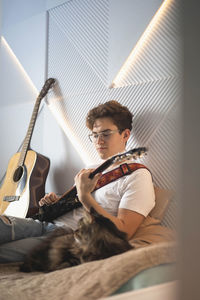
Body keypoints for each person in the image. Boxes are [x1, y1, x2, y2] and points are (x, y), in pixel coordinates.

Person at [0, 100, 155, 263]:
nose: (99, 141)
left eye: (106, 133)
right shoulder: (92, 168)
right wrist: (56, 202)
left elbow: (124, 232)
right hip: (47, 224)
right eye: (95, 135)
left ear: (125, 135)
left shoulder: (138, 176)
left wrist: (85, 197)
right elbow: (75, 206)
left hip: (70, 238)